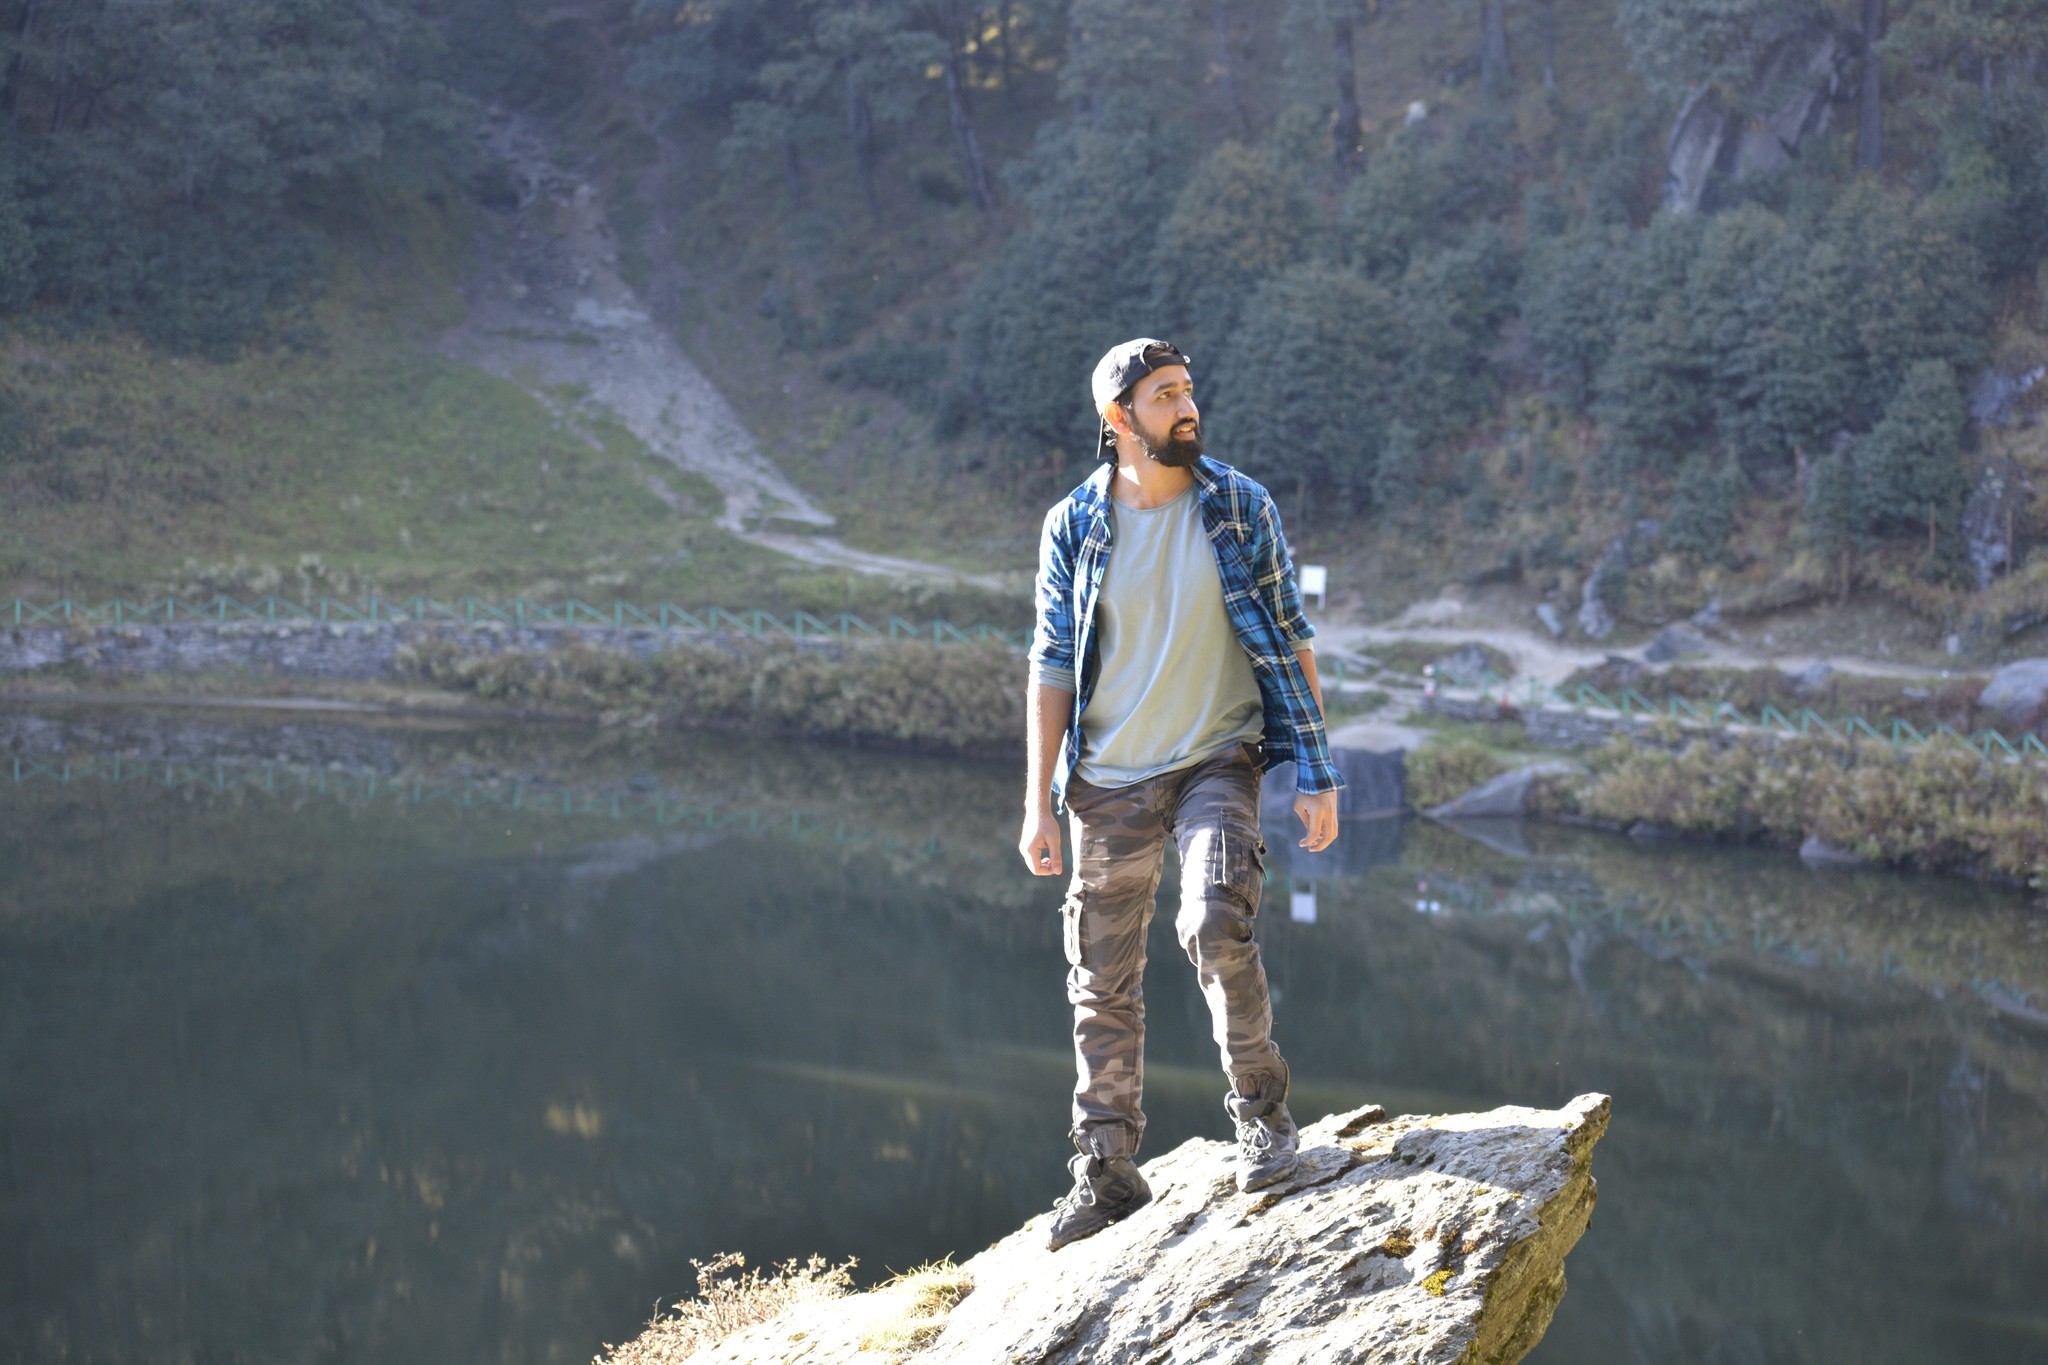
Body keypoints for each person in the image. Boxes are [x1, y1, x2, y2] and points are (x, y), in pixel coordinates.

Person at [1020, 337, 1343, 1251]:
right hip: (1108, 776)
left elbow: (1290, 634)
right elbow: (1049, 662)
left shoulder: (1239, 505)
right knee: (1101, 980)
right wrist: (1038, 802)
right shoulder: (1074, 524)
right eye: (1166, 395)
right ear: (1119, 420)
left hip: (1216, 758)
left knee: (1214, 919)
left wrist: (1317, 770)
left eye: (1190, 389)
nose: (1187, 406)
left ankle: (1263, 1118)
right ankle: (1108, 1172)